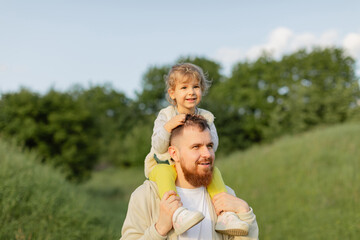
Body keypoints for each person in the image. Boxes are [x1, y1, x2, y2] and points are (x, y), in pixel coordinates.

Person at [144, 63, 248, 236]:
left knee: (214, 172)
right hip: (163, 166)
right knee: (163, 172)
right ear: (172, 93)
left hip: (193, 167)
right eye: (184, 87)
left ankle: (225, 215)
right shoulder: (166, 115)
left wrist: (202, 126)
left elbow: (213, 143)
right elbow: (158, 145)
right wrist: (168, 127)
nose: (191, 92)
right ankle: (177, 213)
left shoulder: (206, 116)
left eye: (196, 87)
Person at [120, 114, 259, 239]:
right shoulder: (145, 196)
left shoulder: (226, 196)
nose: (207, 154)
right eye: (196, 147)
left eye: (209, 146)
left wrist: (244, 211)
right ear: (174, 153)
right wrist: (160, 229)